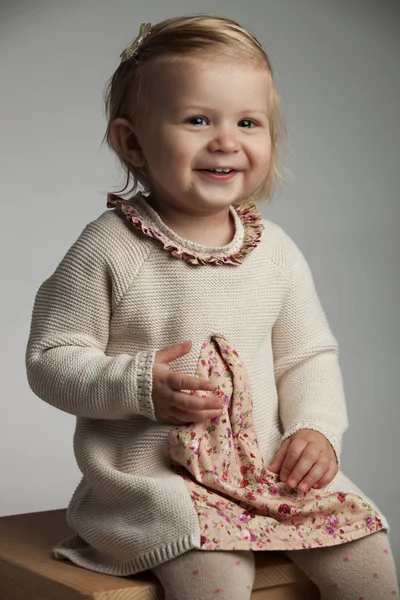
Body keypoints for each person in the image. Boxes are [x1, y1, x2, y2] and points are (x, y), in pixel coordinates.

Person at [26, 14, 398, 600]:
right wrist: (140, 383)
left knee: (364, 541)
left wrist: (316, 429)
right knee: (218, 568)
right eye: (198, 120)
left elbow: (309, 356)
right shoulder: (110, 247)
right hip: (155, 478)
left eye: (248, 122)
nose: (226, 140)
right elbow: (51, 360)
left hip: (267, 470)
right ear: (133, 142)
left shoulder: (273, 251)